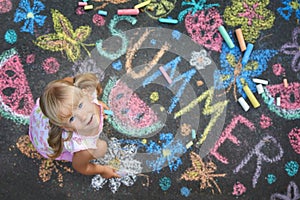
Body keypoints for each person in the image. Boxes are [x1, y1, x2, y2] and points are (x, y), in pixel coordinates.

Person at [29, 73, 120, 178]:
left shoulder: (76, 93)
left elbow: (68, 82)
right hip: (45, 142)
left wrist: (97, 104)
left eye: (80, 105)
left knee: (64, 108)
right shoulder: (83, 147)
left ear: (85, 93)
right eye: (72, 118)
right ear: (66, 128)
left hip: (42, 117)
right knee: (101, 148)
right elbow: (81, 167)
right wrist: (103, 170)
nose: (83, 117)